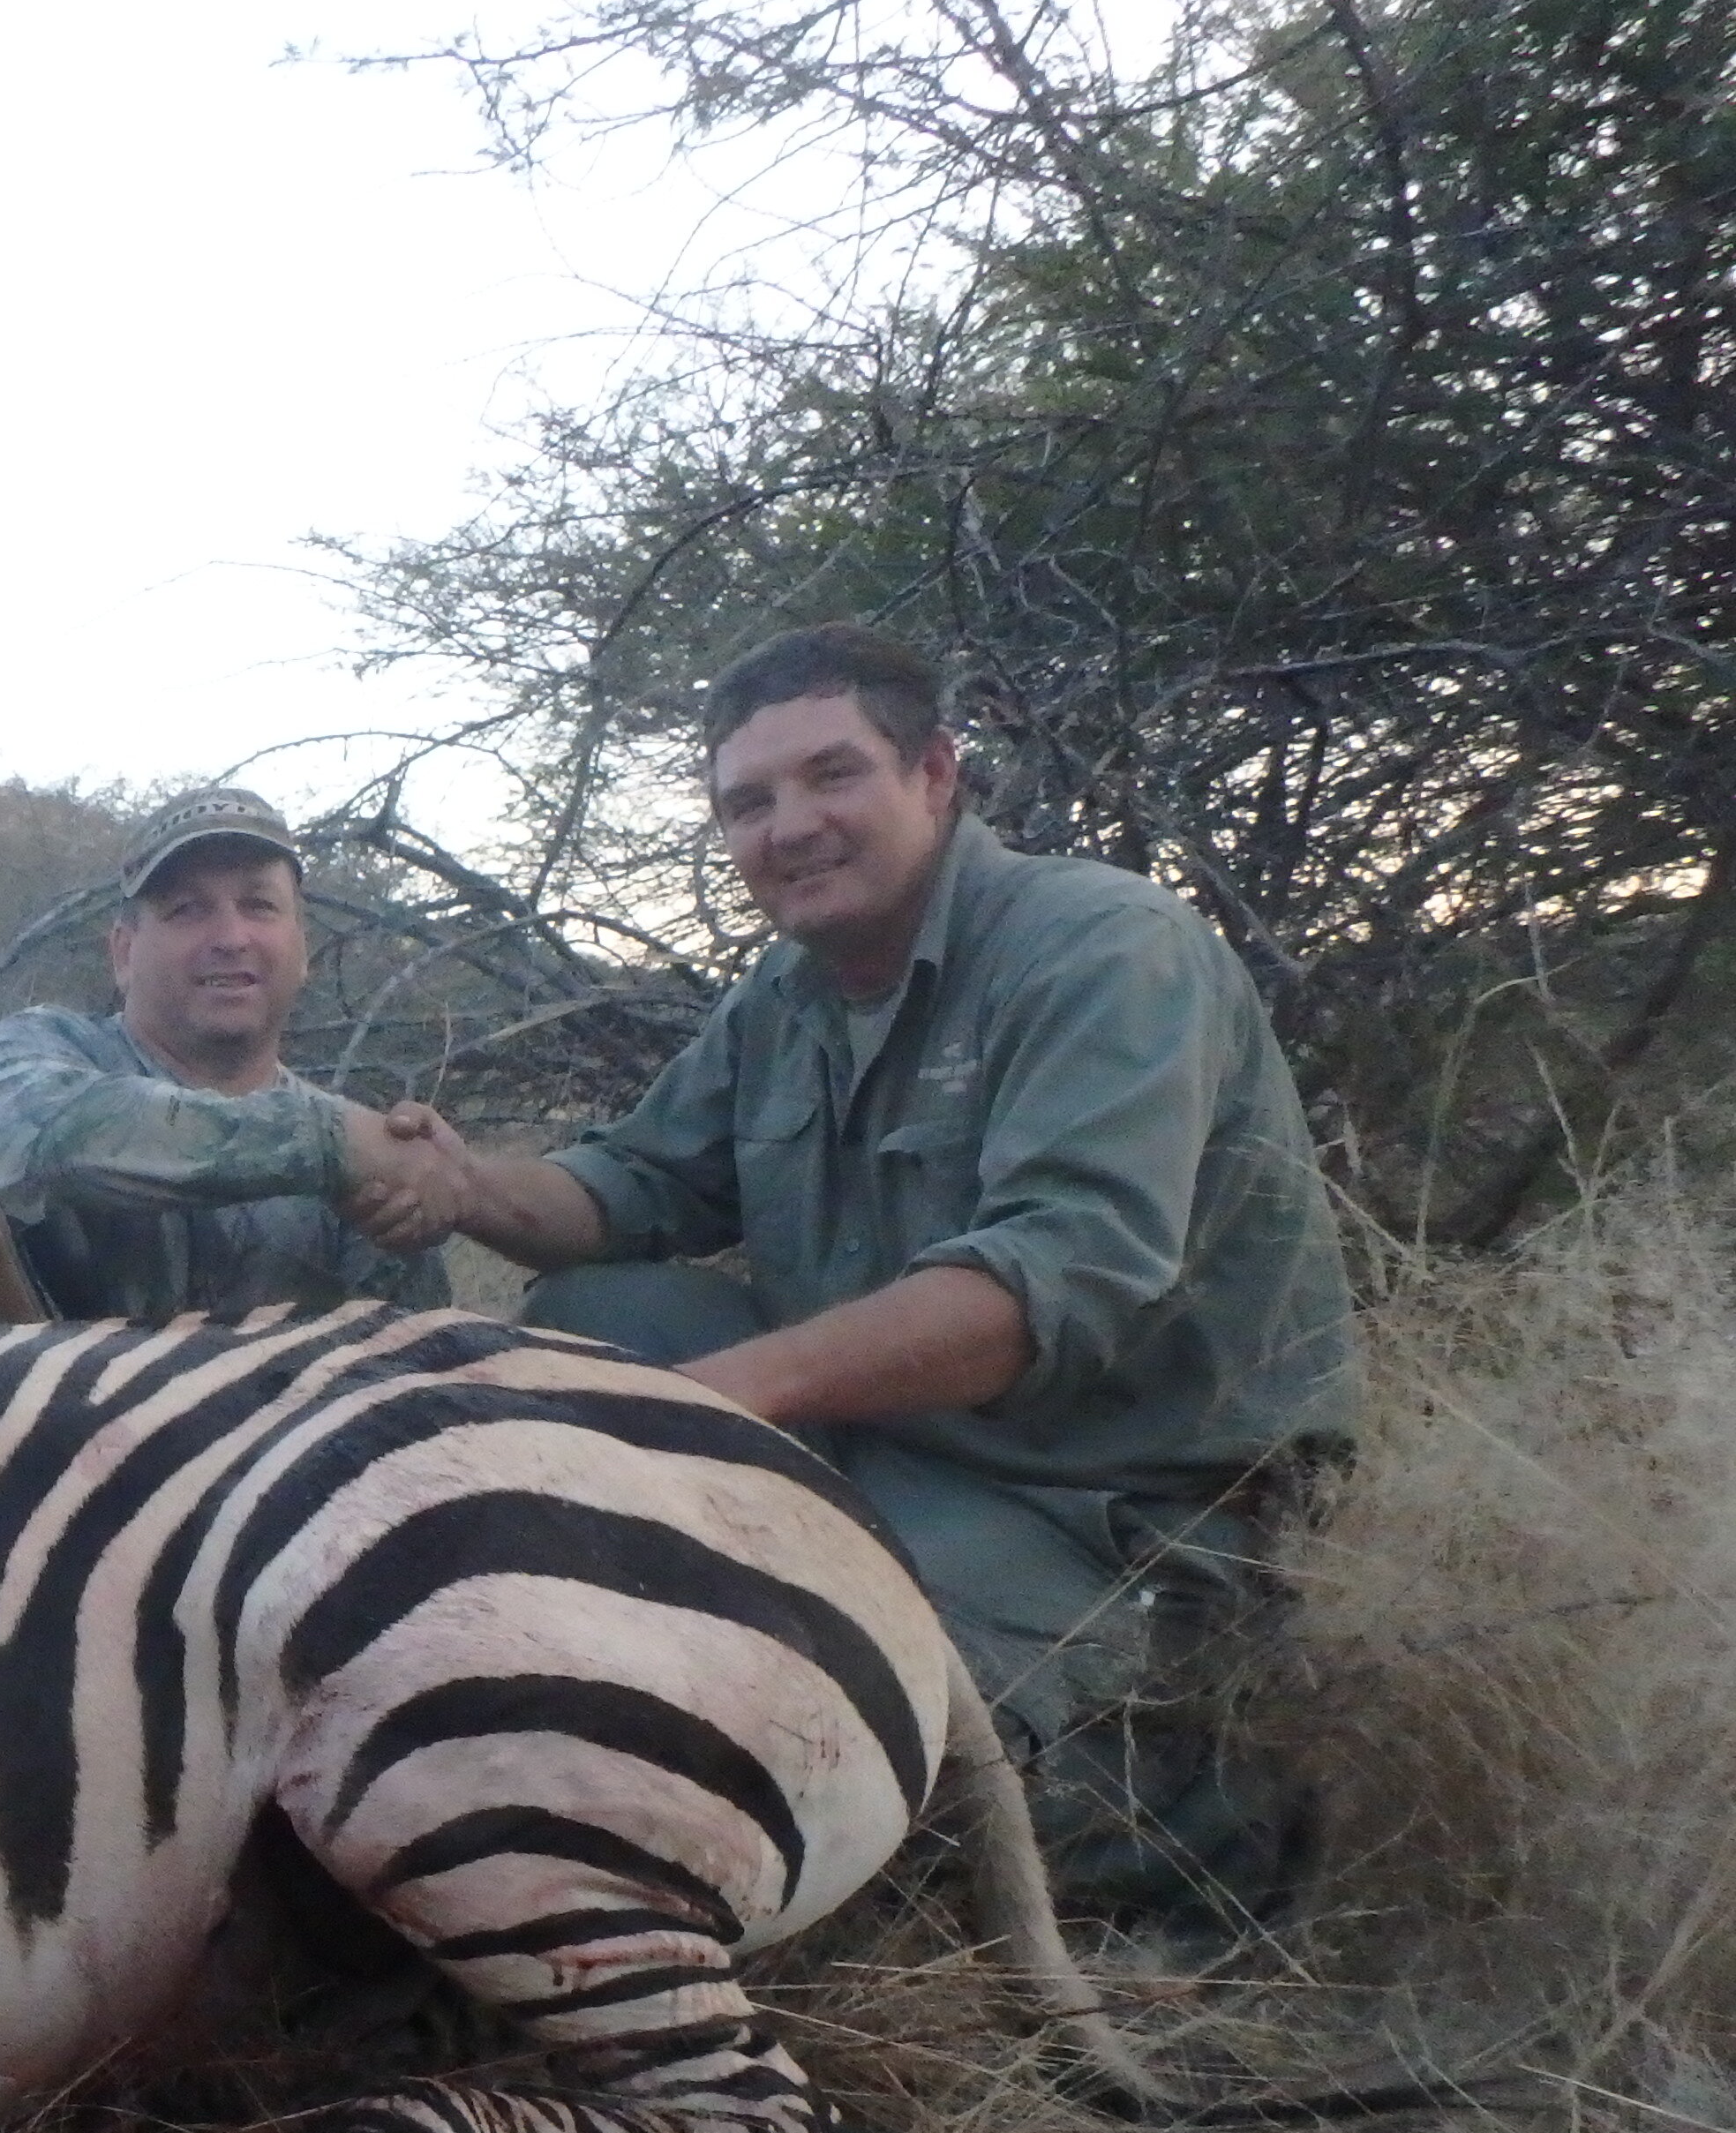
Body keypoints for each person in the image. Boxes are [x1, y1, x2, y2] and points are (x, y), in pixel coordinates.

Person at [348, 623, 1360, 1937]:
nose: (792, 826)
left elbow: (1051, 1281)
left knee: (846, 1812)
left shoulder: (1107, 947)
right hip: (882, 1453)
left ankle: (1179, 1803)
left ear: (936, 773)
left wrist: (700, 1410)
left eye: (833, 776)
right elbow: (635, 1187)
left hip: (1110, 1502)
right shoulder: (785, 994)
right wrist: (465, 1183)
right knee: (605, 1321)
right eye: (750, 801)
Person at [0, 788, 452, 1323]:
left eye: (258, 905)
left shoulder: (365, 1170)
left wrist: (422, 1192)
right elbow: (36, 1139)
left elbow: (403, 1371)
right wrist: (335, 1144)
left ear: (302, 949)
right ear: (124, 953)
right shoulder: (31, 1053)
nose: (231, 937)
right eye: (187, 909)